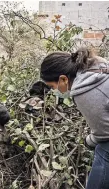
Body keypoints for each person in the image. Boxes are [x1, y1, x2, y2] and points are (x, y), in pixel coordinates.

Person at [40, 47, 109, 189]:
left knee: (102, 152)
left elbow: (104, 134)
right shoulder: (97, 68)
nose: (54, 91)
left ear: (63, 79)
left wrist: (88, 141)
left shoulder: (84, 92)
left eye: (52, 86)